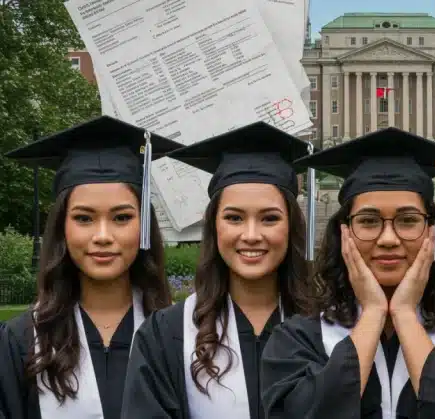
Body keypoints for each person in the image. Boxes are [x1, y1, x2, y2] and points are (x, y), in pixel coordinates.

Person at [260, 128, 435, 419]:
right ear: (345, 233)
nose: (388, 239)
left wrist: (405, 313)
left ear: (431, 233)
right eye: (368, 221)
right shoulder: (296, 341)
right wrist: (373, 312)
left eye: (408, 220)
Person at [120, 121, 313, 418]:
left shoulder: (329, 330)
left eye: (270, 218)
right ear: (214, 226)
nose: (251, 234)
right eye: (234, 218)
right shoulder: (165, 335)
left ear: (292, 227)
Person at [0, 116, 179, 419]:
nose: (103, 236)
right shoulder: (21, 341)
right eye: (84, 218)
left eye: (122, 218)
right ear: (62, 229)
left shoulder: (182, 337)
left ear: (144, 227)